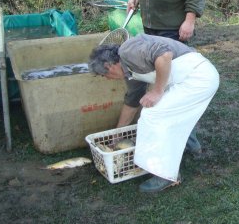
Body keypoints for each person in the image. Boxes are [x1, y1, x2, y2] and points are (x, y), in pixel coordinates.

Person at [117, 0, 206, 154]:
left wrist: (190, 20)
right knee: (155, 83)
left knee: (173, 87)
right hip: (150, 28)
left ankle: (188, 141)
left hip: (174, 30)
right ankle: (157, 133)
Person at [88, 34, 219, 193]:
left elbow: (164, 55)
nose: (107, 79)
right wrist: (117, 135)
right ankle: (191, 146)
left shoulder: (128, 50)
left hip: (198, 78)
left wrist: (157, 91)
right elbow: (132, 103)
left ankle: (166, 175)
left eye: (104, 75)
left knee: (152, 116)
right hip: (190, 79)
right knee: (173, 113)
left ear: (109, 66)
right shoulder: (130, 72)